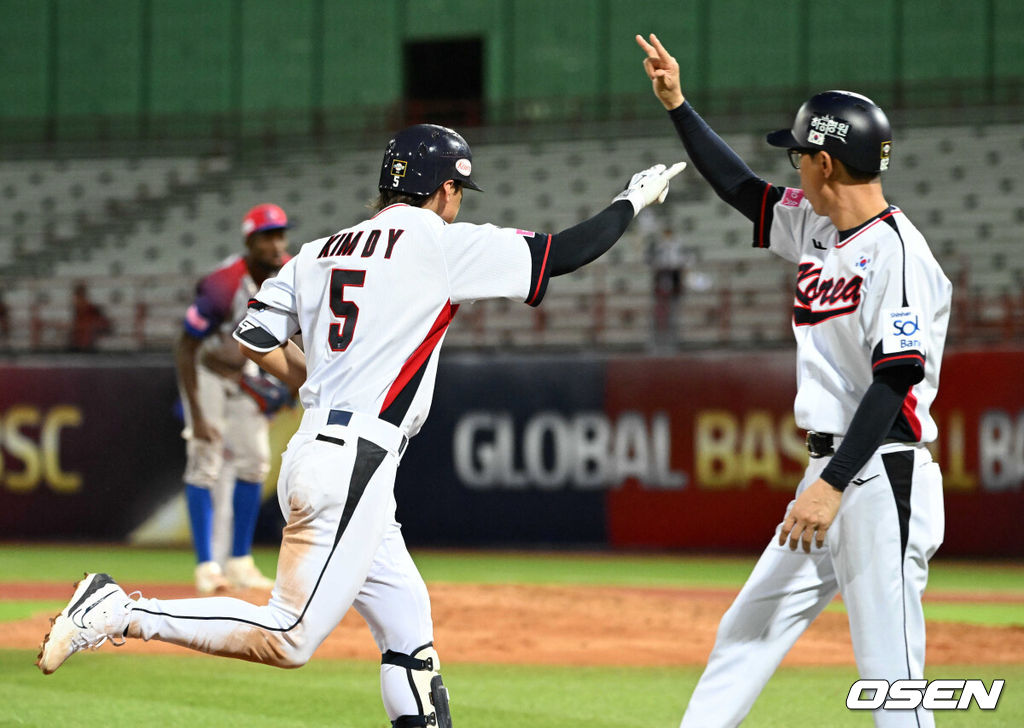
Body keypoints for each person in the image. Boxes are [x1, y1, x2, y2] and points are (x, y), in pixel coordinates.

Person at [37, 123, 685, 727]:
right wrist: (629, 201)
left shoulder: (316, 251)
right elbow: (564, 253)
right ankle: (119, 611)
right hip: (355, 458)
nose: (458, 201)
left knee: (407, 635)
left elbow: (255, 332)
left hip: (324, 449)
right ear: (446, 188)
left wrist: (310, 382)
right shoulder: (439, 241)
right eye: (458, 190)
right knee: (288, 637)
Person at [637, 34, 951, 728]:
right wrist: (679, 106)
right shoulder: (817, 225)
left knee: (891, 676)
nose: (794, 164)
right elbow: (743, 191)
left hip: (877, 474)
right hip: (834, 476)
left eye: (799, 153)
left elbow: (894, 382)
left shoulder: (896, 253)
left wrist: (833, 486)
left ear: (826, 161)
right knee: (746, 631)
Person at [174, 203, 291, 594]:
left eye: (280, 234)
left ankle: (239, 561)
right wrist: (197, 415)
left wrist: (287, 387)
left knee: (256, 462)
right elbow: (185, 347)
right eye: (266, 236)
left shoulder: (289, 273)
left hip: (245, 373)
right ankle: (207, 567)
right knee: (204, 462)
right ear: (249, 242)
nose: (276, 243)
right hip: (208, 371)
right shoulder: (224, 284)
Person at [68, 282, 112, 351]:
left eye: (79, 297)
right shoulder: (78, 310)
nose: (76, 300)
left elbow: (107, 325)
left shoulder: (92, 309)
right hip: (77, 346)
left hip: (88, 346)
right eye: (76, 297)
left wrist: (92, 328)